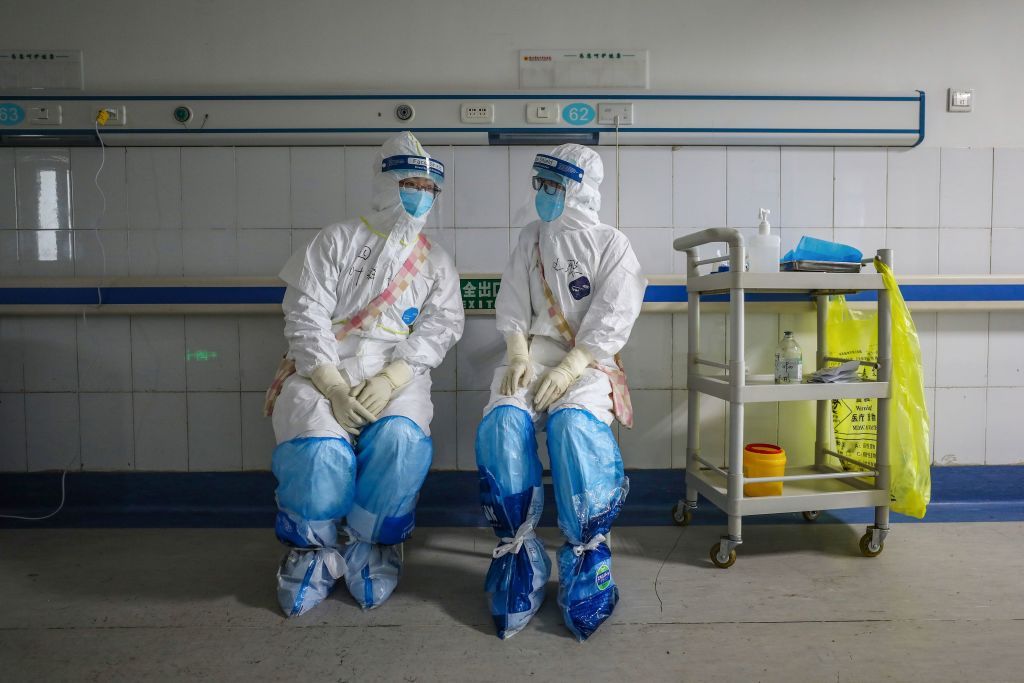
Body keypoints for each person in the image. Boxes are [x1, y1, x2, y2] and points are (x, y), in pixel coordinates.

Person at [263, 131, 464, 617]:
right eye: (410, 182)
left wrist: (395, 377)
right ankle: (312, 551)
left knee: (401, 440)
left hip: (397, 371)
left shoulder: (436, 260)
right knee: (318, 448)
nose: (420, 195)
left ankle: (375, 545)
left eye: (429, 188)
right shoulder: (334, 241)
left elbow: (443, 325)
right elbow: (305, 315)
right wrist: (330, 382)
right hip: (322, 365)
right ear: (386, 182)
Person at [475, 144, 646, 640]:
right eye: (541, 184)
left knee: (574, 429)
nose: (545, 195)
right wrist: (518, 352)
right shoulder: (531, 238)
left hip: (587, 361)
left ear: (580, 189)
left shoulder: (613, 245)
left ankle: (587, 560)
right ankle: (517, 556)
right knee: (504, 423)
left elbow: (613, 317)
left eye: (556, 186)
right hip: (533, 353)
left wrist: (571, 366)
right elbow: (511, 300)